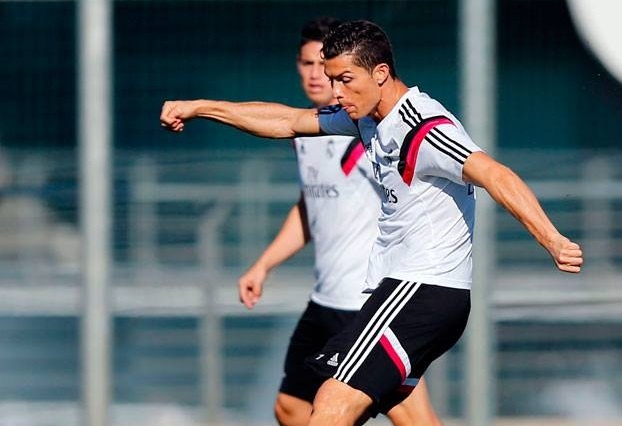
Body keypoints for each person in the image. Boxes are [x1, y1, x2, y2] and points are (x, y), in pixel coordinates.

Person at [160, 19, 583, 426]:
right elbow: (287, 121)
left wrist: (551, 239)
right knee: (318, 406)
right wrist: (201, 108)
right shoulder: (368, 120)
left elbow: (495, 174)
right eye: (332, 79)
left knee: (332, 404)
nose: (335, 91)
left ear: (380, 73)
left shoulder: (423, 128)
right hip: (404, 291)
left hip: (422, 289)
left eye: (345, 80)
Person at [236, 17, 442, 426]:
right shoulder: (307, 132)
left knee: (414, 419)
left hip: (367, 302)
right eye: (306, 63)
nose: (316, 74)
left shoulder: (368, 130)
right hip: (325, 300)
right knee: (291, 408)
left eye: (323, 65)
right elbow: (311, 207)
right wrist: (263, 265)